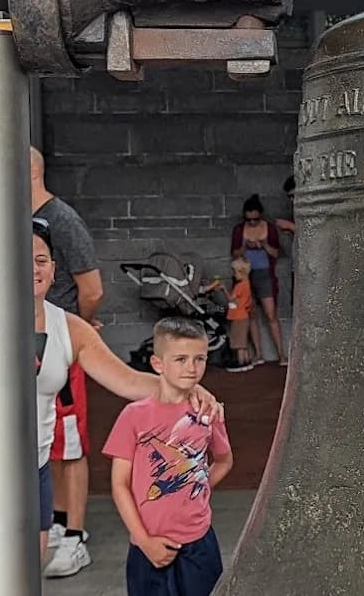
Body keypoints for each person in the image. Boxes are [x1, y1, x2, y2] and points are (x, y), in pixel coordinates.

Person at [31, 220, 222, 564]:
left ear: (54, 269)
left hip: (35, 466)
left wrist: (191, 386)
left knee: (25, 573)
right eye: (22, 259)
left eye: (41, 260)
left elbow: (129, 381)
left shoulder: (70, 328)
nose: (33, 269)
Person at [103, 317, 234, 596]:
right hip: (147, 544)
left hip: (198, 543)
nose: (192, 368)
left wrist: (198, 487)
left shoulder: (209, 412)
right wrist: (143, 540)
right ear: (158, 364)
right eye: (181, 359)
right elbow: (119, 484)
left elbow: (224, 460)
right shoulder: (133, 416)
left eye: (200, 359)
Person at [31, 146, 105, 578]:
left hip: (60, 346)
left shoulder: (62, 220)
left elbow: (91, 289)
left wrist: (78, 330)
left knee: (69, 439)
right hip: (31, 345)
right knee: (47, 441)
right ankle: (57, 521)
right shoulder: (18, 220)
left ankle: (74, 535)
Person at [231, 194, 287, 366]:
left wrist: (263, 245)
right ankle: (258, 353)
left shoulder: (269, 228)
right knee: (252, 314)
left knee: (271, 314)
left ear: (260, 215)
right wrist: (245, 246)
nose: (252, 222)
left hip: (264, 273)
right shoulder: (239, 229)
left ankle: (281, 354)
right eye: (249, 220)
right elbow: (234, 254)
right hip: (245, 275)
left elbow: (276, 253)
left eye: (255, 219)